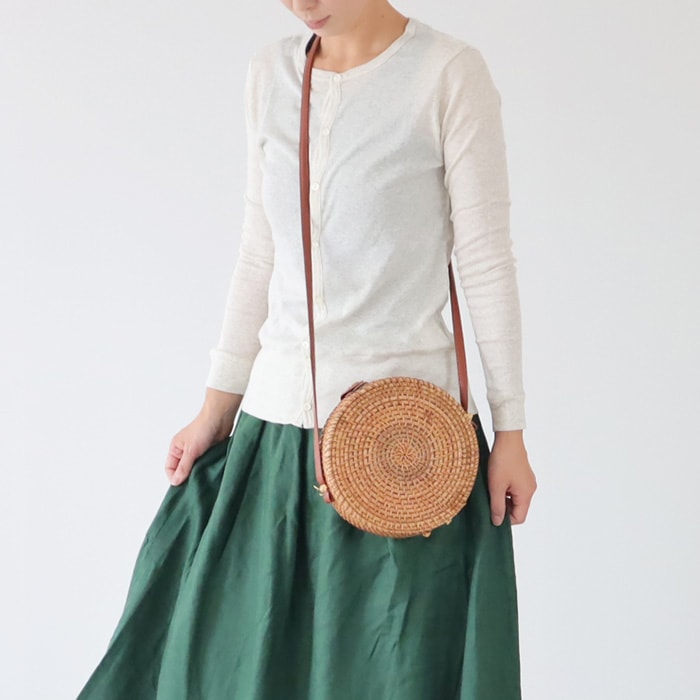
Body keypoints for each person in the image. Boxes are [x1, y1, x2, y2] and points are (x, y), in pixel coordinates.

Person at [76, 1, 537, 698]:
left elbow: (485, 260)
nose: (301, 3)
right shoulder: (271, 73)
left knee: (395, 675)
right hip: (275, 440)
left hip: (404, 451)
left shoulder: (447, 74)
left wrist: (511, 430)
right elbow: (259, 252)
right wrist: (215, 408)